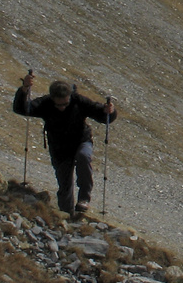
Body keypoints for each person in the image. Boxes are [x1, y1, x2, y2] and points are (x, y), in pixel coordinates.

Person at [13, 72, 116, 214]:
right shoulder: (45, 103)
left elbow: (103, 116)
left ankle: (84, 199)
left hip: (81, 141)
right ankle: (67, 214)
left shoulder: (78, 101)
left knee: (84, 157)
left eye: (65, 103)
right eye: (58, 104)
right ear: (52, 98)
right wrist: (24, 88)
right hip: (59, 148)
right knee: (64, 184)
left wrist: (110, 111)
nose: (62, 107)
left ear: (70, 97)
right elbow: (22, 108)